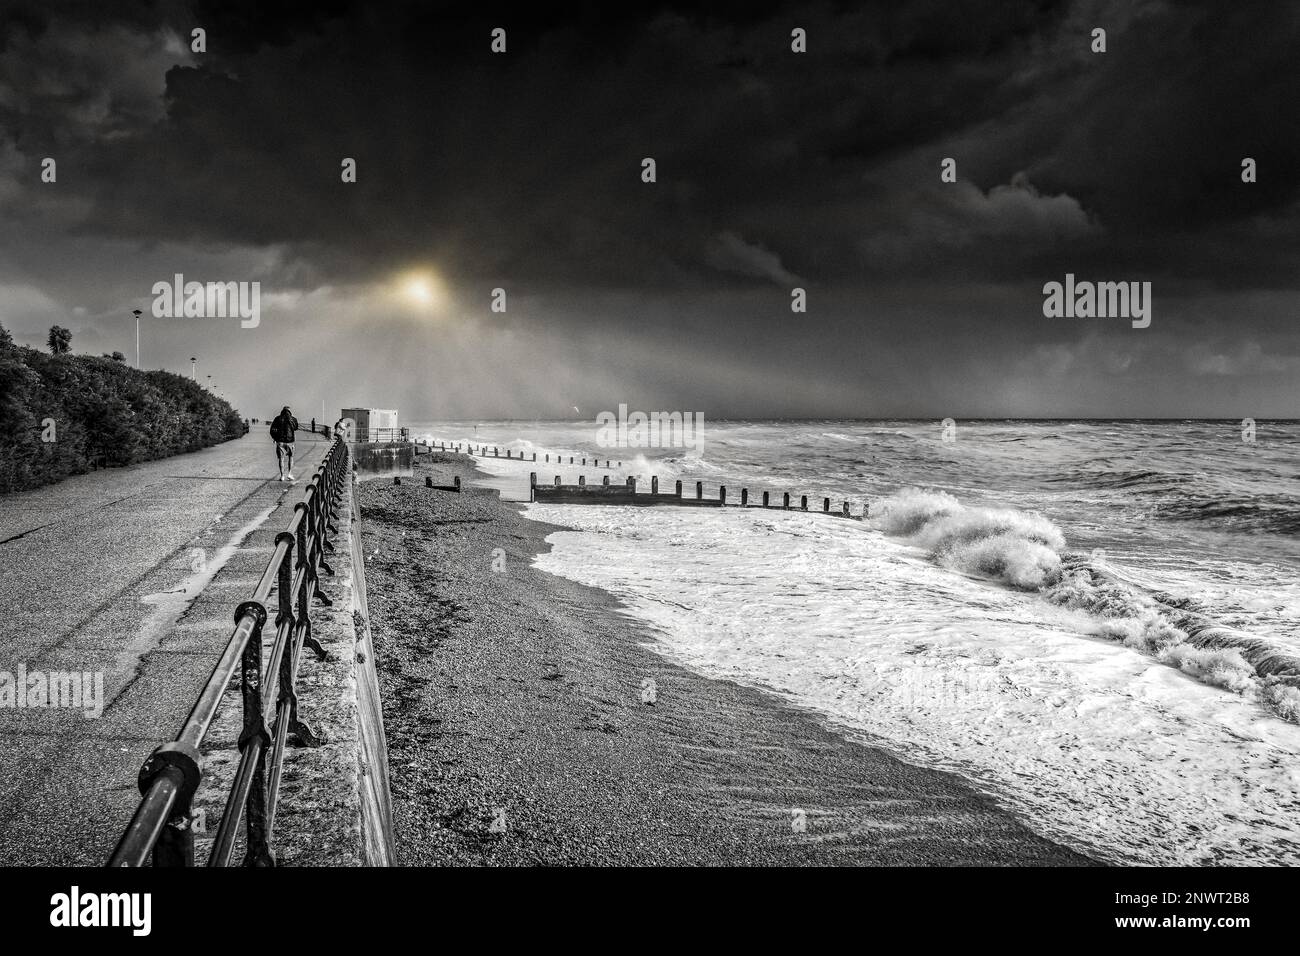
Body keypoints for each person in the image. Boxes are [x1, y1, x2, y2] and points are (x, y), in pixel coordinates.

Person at [269, 406, 299, 481]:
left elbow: (272, 430)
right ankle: (289, 474)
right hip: (290, 441)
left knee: (281, 459)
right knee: (291, 457)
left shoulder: (277, 418)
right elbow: (295, 428)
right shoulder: (293, 419)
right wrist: (290, 421)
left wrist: (275, 438)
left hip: (280, 441)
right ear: (289, 411)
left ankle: (282, 475)